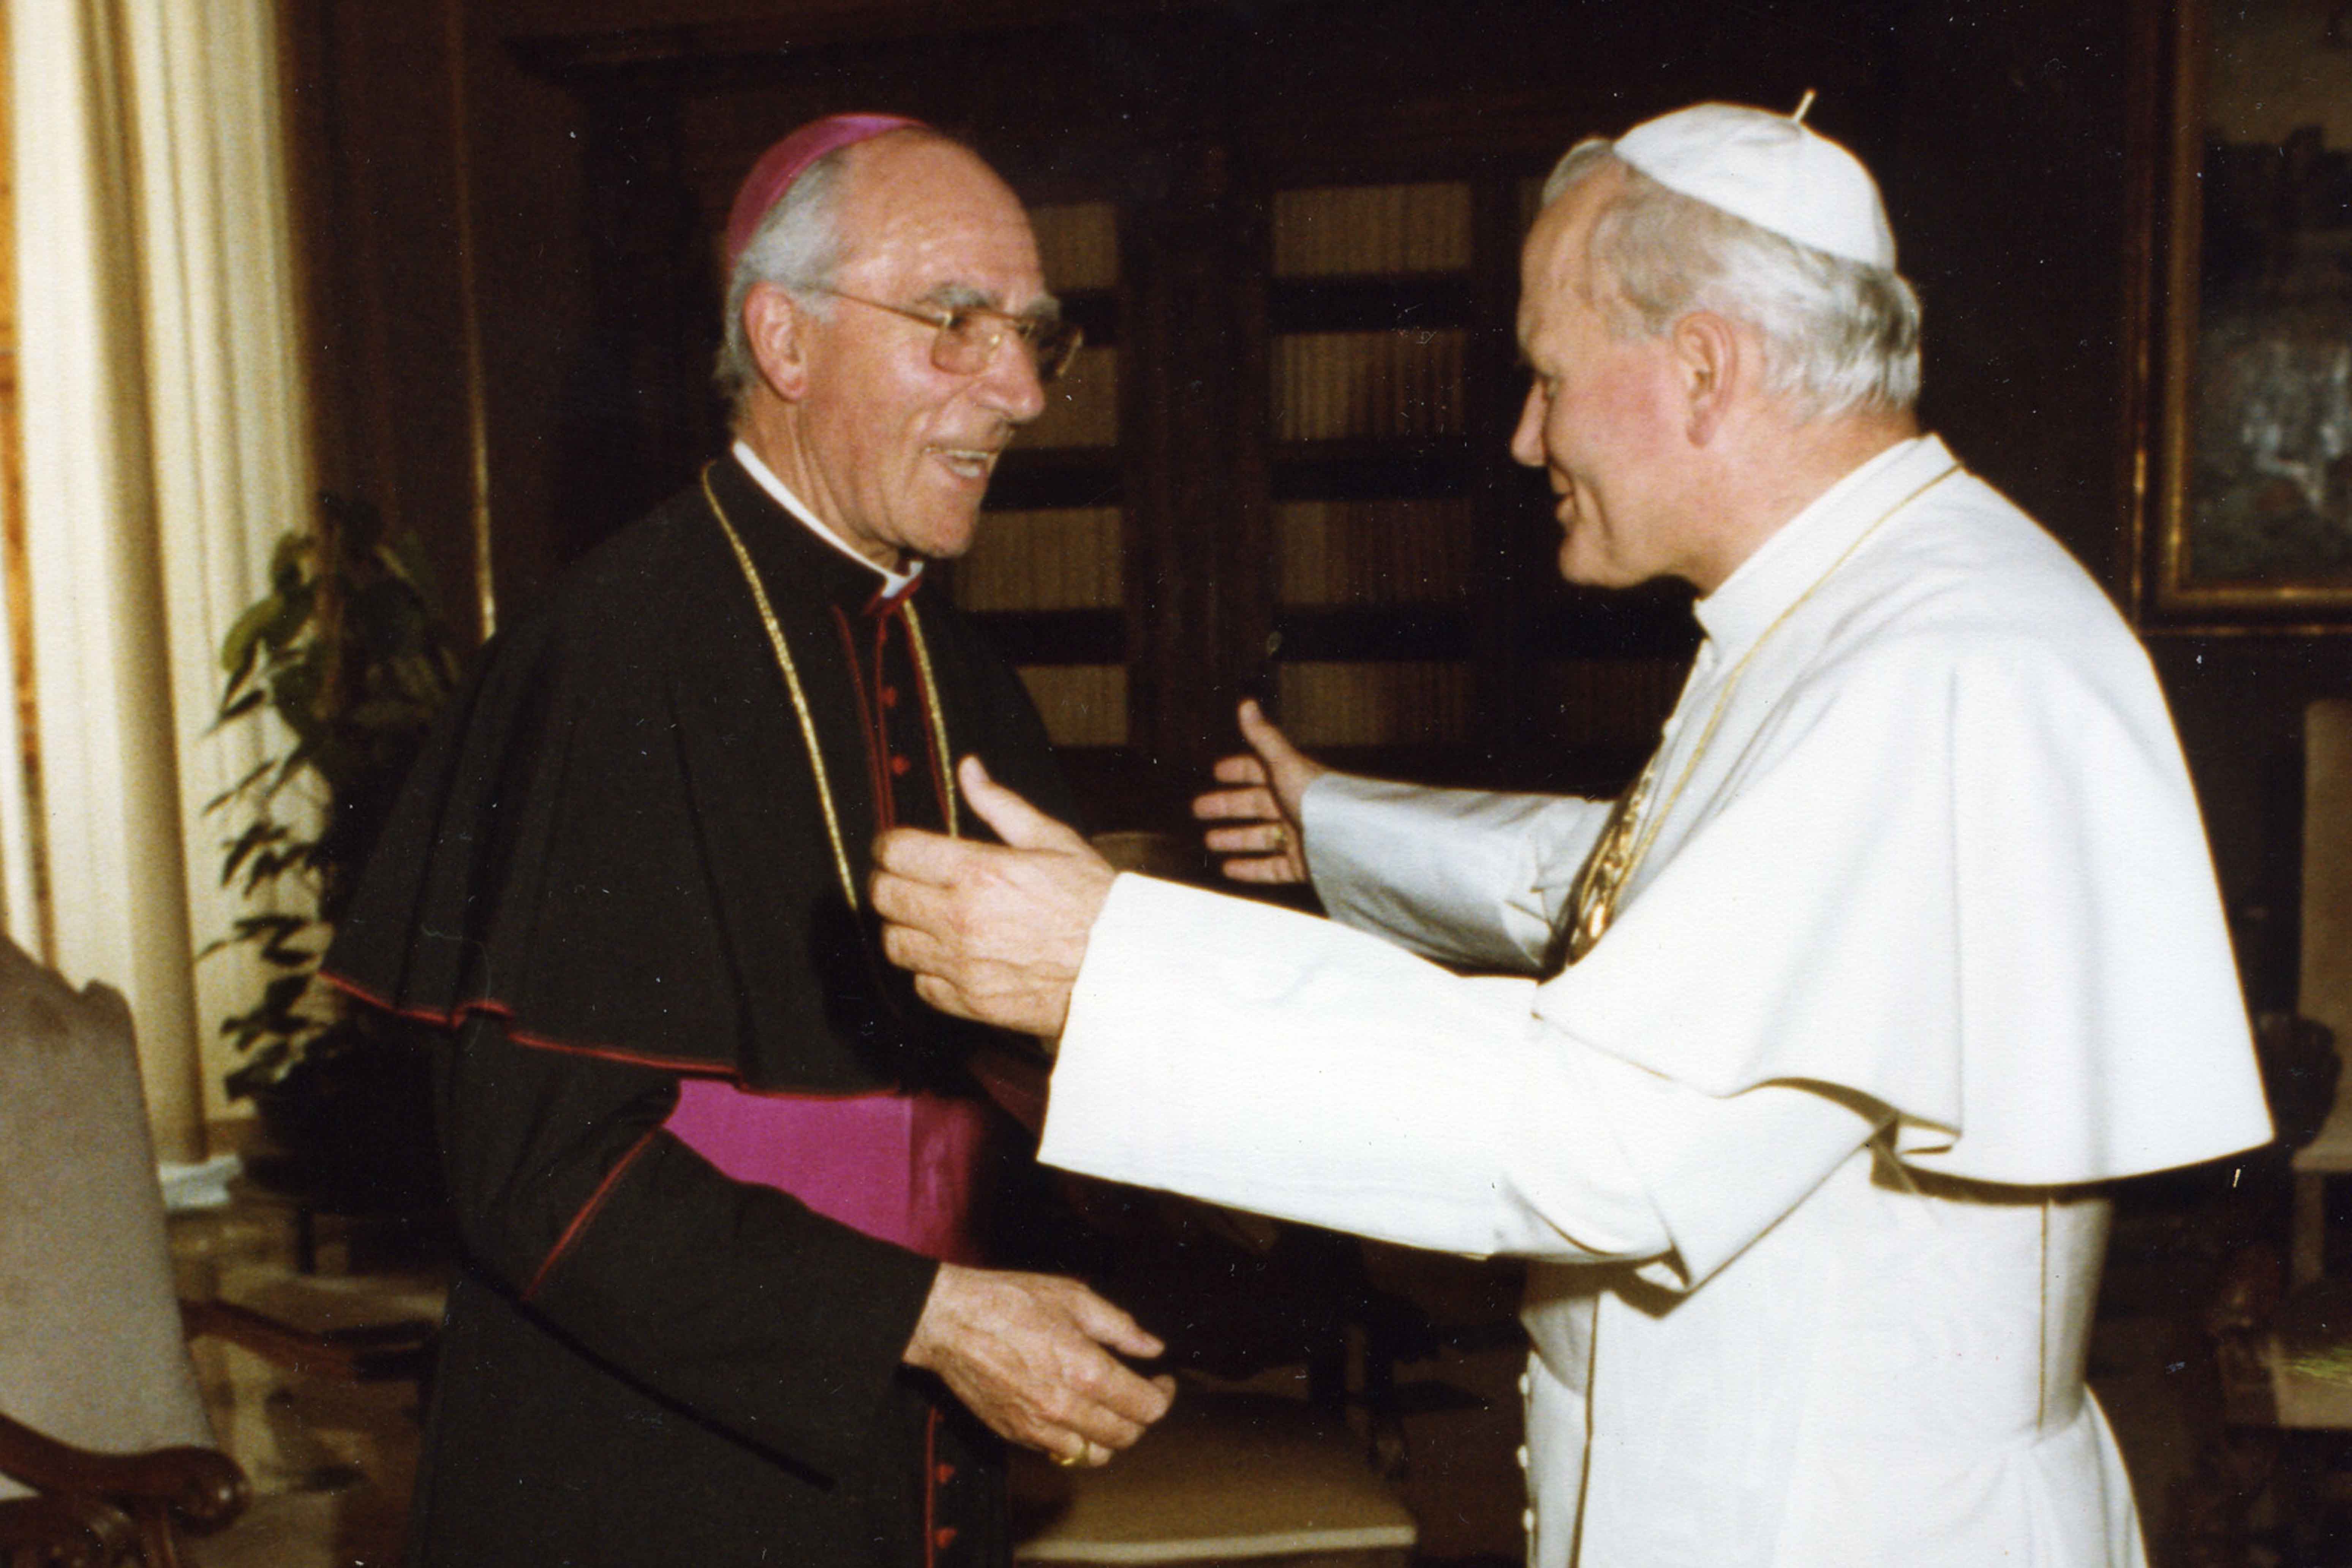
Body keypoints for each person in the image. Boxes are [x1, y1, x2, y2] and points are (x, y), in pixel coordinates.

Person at [869, 101, 2274, 1566]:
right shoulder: (1871, 606)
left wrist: (1117, 974)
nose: (1526, 434)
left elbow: (1611, 1136)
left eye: (1547, 377)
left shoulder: (1938, 662)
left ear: (1704, 370)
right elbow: (1678, 890)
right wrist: (1344, 826)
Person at [324, 115, 1173, 1568]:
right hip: (643, 1471)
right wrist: (926, 1317)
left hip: (925, 1452)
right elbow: (539, 1171)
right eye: (955, 326)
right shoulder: (607, 653)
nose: (1022, 392)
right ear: (784, 340)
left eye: (1034, 335)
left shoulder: (965, 677)